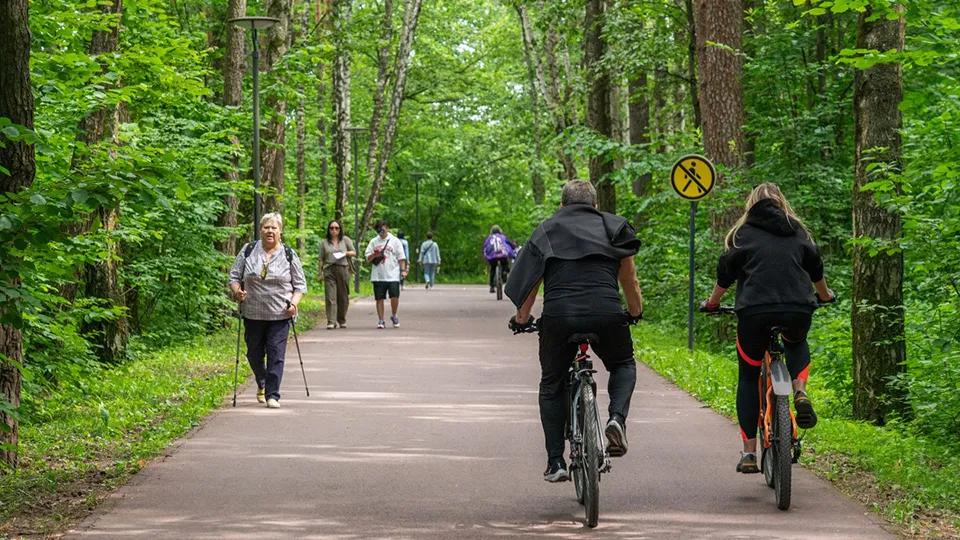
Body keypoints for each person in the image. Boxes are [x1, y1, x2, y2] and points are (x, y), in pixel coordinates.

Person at [506, 180, 643, 482]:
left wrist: (521, 319)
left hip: (560, 317)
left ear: (562, 205)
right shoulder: (614, 228)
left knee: (552, 383)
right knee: (623, 364)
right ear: (596, 206)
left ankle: (556, 461)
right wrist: (635, 312)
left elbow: (531, 282)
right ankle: (616, 419)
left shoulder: (546, 230)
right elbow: (629, 279)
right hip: (606, 313)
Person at [700, 183, 835, 474]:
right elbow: (816, 266)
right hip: (797, 308)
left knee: (748, 376)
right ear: (781, 202)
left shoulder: (741, 234)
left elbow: (726, 273)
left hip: (754, 312)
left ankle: (749, 453)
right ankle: (799, 392)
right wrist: (824, 296)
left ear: (751, 205)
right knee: (796, 342)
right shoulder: (797, 230)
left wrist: (712, 303)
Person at [228, 213, 307, 409]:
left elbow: (300, 286)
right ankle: (262, 382)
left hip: (280, 314)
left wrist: (294, 304)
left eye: (274, 228)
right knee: (254, 354)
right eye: (266, 227)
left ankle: (273, 395)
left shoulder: (288, 254)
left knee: (276, 354)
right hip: (253, 313)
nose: (270, 231)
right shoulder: (248, 250)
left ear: (280, 232)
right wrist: (237, 292)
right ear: (260, 230)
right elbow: (234, 277)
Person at [364, 219, 408, 329]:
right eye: (378, 231)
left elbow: (401, 257)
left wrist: (403, 270)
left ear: (387, 228)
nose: (380, 233)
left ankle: (394, 314)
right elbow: (368, 258)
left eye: (382, 230)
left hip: (393, 275)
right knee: (379, 298)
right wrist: (374, 255)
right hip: (378, 275)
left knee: (394, 296)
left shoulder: (395, 241)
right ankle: (381, 319)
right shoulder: (373, 242)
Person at [318, 220, 357, 330]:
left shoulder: (345, 240)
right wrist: (319, 274)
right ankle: (331, 321)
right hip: (329, 270)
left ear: (340, 229)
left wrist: (346, 253)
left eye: (336, 228)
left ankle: (342, 319)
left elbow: (354, 252)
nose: (334, 230)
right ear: (328, 229)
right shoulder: (324, 243)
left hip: (343, 269)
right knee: (331, 296)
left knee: (343, 296)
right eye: (331, 228)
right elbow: (321, 259)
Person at [484, 225, 516, 293]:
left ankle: (492, 287)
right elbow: (510, 244)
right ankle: (504, 272)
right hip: (502, 254)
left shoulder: (489, 238)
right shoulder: (503, 237)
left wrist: (485, 253)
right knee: (505, 264)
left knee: (493, 269)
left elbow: (485, 246)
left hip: (492, 256)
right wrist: (513, 246)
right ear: (500, 231)